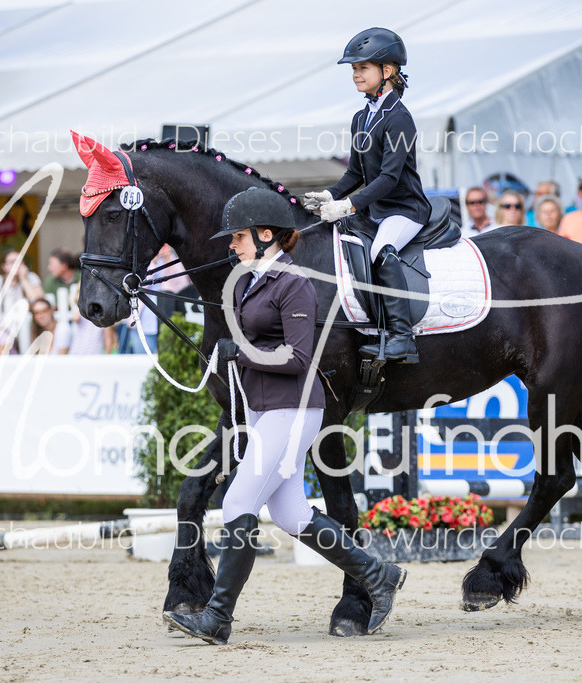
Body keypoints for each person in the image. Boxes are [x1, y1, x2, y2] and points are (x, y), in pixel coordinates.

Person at [164, 187, 405, 645]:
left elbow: (299, 356)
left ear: (266, 235)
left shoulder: (293, 282)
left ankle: (217, 617)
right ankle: (378, 575)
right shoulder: (252, 279)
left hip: (292, 409)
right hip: (263, 408)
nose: (231, 245)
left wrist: (244, 353)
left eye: (237, 237)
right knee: (292, 514)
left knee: (237, 503)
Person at [303, 27, 430, 364]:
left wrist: (349, 205)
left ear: (387, 71)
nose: (356, 75)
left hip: (405, 208)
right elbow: (356, 173)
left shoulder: (400, 119)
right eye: (354, 70)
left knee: (381, 252)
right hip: (376, 209)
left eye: (362, 68)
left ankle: (402, 338)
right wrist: (328, 195)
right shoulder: (361, 118)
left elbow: (389, 178)